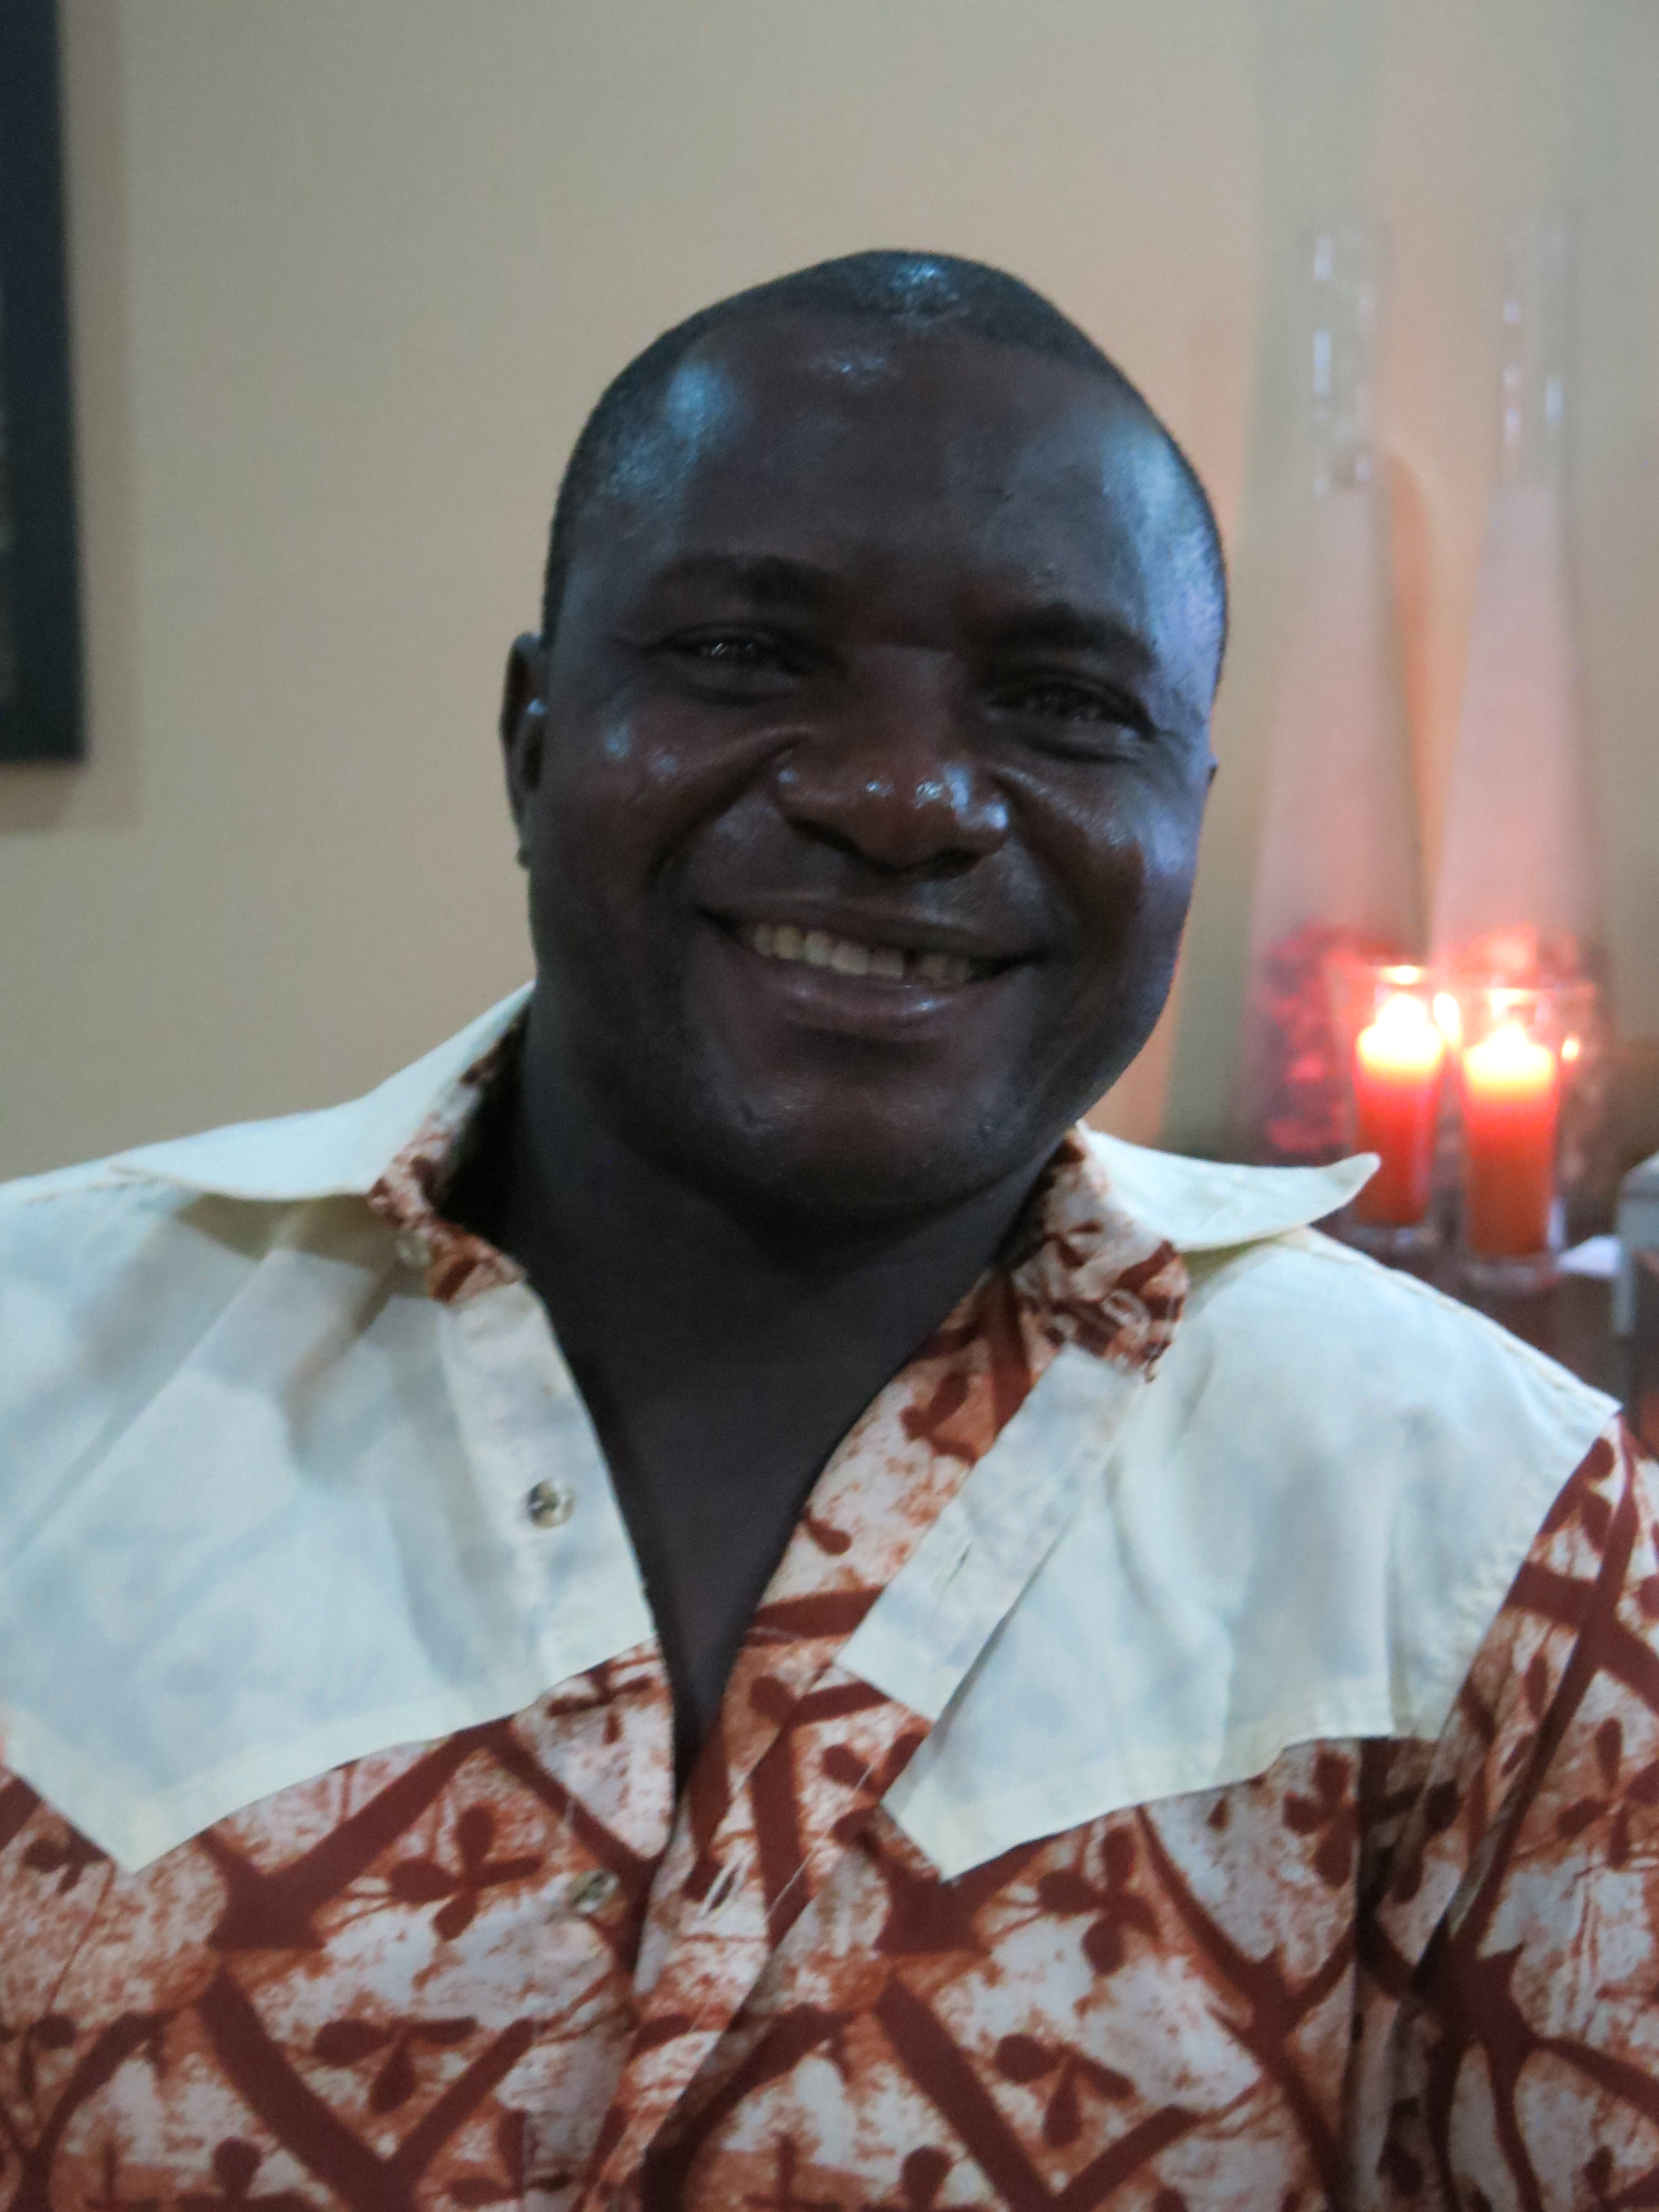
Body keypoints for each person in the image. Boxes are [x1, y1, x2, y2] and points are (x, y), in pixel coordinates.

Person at [0, 251, 1650, 2212]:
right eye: (745, 655)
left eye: (1063, 703)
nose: (902, 797)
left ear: (1186, 815)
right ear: (534, 741)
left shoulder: (1487, 1534)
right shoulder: (41, 1373)